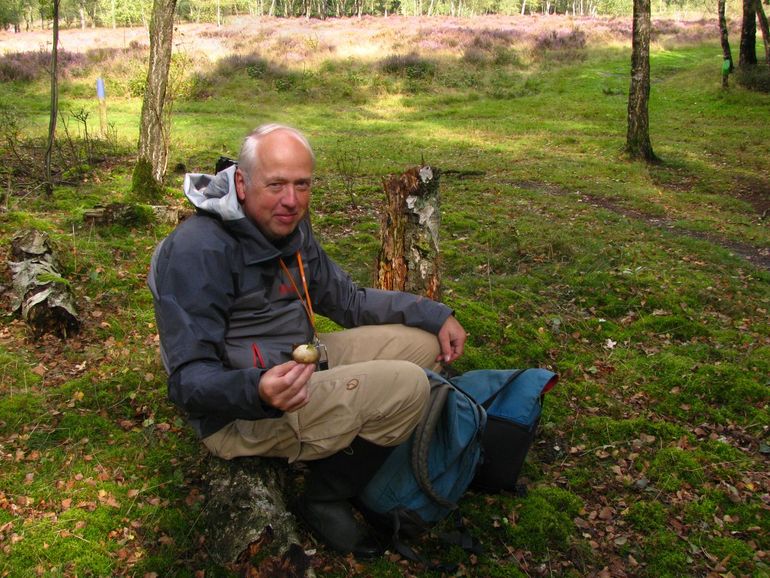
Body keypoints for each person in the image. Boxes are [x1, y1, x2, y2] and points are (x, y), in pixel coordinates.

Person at [148, 124, 467, 558]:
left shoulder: (290, 227)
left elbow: (348, 301)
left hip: (300, 359)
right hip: (240, 410)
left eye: (303, 185)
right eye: (276, 184)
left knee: (424, 346)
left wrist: (434, 313)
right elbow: (187, 381)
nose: (292, 200)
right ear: (241, 182)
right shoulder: (199, 251)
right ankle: (325, 496)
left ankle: (351, 442)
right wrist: (257, 390)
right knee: (409, 385)